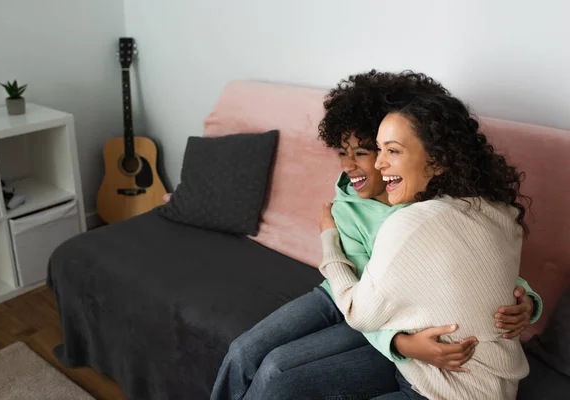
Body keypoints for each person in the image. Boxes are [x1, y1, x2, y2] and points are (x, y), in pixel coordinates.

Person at [208, 71, 541, 400]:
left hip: (379, 310)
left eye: (375, 151)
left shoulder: (426, 216)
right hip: (348, 294)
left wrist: (527, 300)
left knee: (278, 369)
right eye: (345, 151)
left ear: (433, 154)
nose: (356, 165)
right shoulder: (350, 201)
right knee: (243, 351)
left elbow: (474, 268)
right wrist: (400, 342)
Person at [317, 89, 535, 399]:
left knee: (282, 378)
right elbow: (477, 280)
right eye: (378, 149)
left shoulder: (409, 224)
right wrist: (528, 301)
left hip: (438, 388)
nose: (379, 164)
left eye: (392, 151)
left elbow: (357, 312)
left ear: (438, 161)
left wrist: (329, 244)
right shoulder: (500, 210)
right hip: (492, 385)